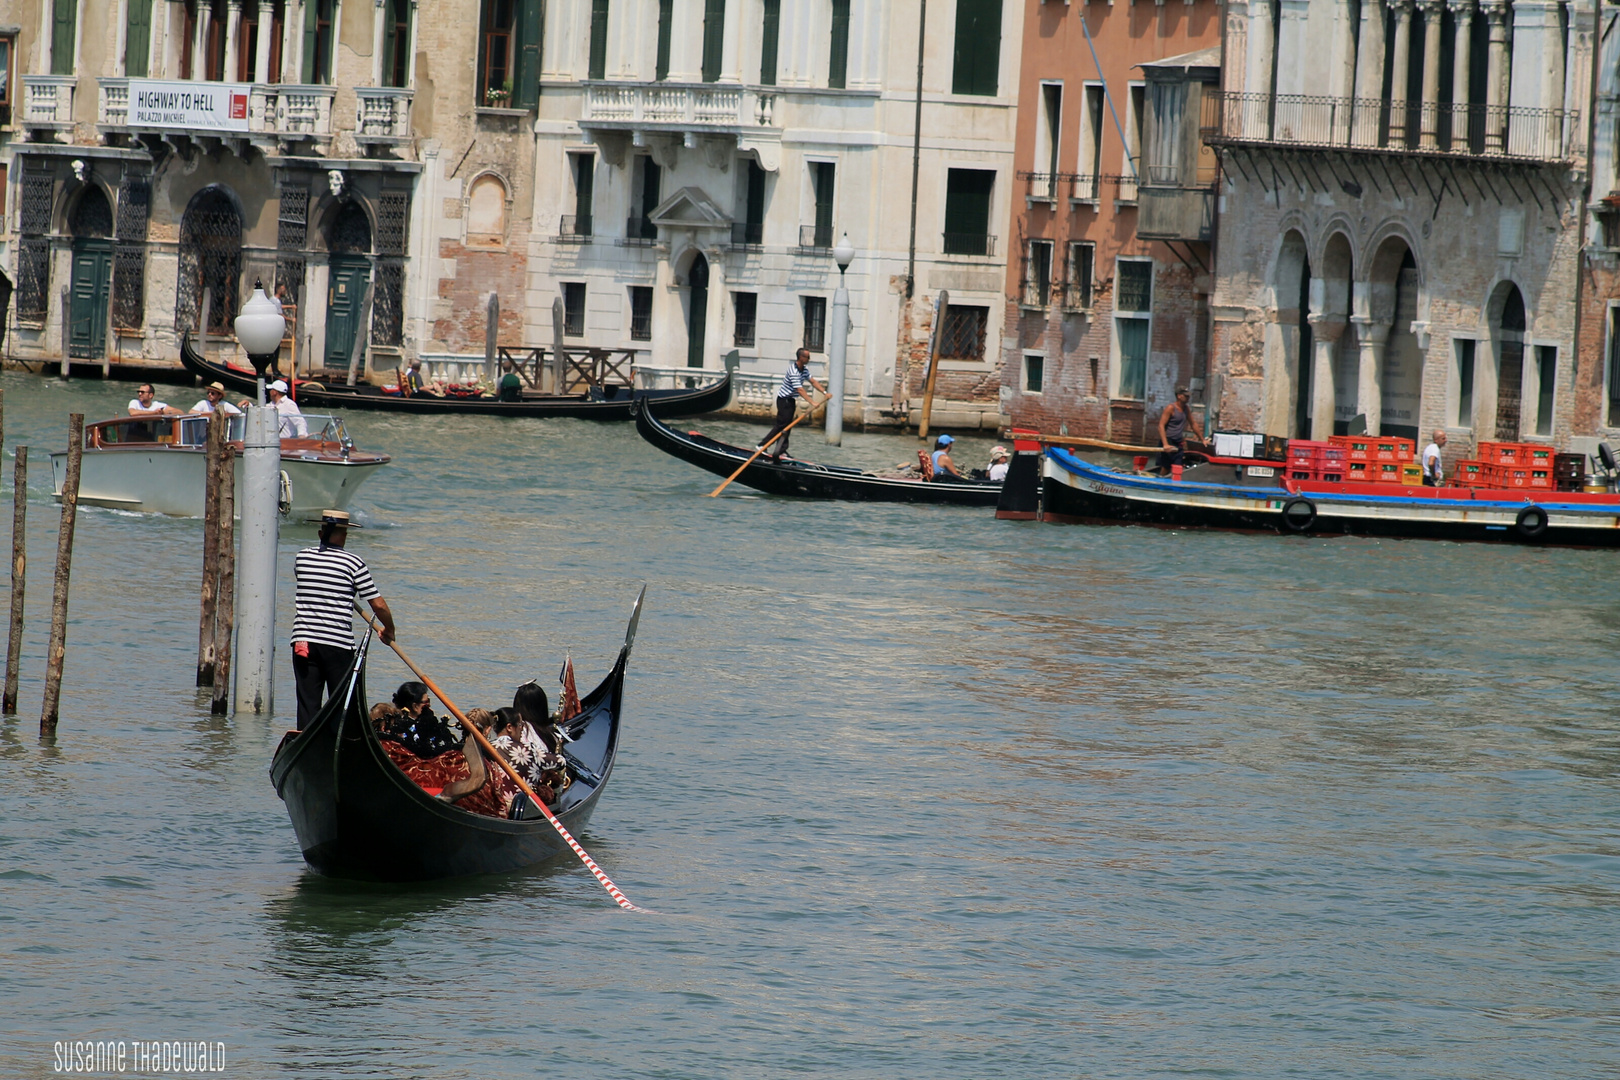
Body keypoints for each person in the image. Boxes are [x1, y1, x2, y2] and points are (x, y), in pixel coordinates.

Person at [291, 509, 396, 730]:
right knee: (342, 705)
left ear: (321, 533)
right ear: (345, 534)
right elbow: (377, 605)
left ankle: (307, 744)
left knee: (308, 704)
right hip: (337, 645)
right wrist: (389, 629)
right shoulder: (353, 563)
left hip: (303, 642)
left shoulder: (302, 557)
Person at [757, 348, 826, 461]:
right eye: (807, 357)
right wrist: (812, 402)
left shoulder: (804, 370)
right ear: (801, 357)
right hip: (783, 400)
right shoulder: (793, 371)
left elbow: (813, 382)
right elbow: (800, 390)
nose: (809, 359)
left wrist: (824, 392)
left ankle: (781, 450)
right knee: (781, 425)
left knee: (787, 426)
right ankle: (762, 445)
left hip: (790, 400)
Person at [1157, 386, 1207, 475]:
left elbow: (1193, 424)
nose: (1188, 398)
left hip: (1178, 442)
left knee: (1178, 467)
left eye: (1188, 396)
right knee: (1166, 467)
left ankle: (1174, 484)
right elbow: (1161, 426)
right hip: (1169, 440)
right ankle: (1158, 483)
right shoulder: (1170, 408)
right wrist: (1165, 444)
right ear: (1179, 396)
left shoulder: (1186, 409)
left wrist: (1202, 439)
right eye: (1186, 396)